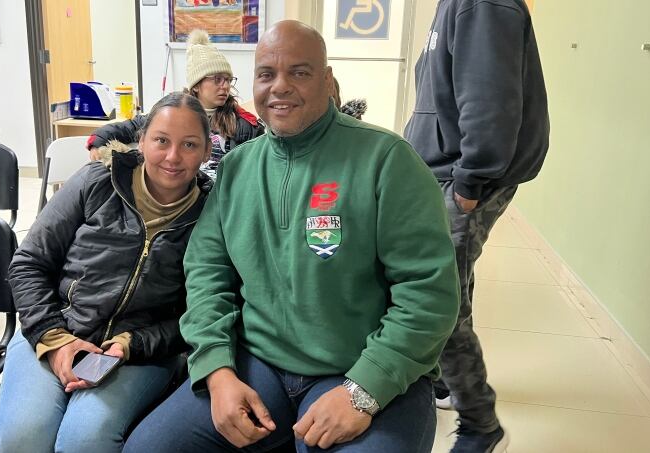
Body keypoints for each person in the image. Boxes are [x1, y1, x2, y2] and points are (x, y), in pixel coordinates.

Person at [124, 20, 460, 452]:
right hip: (260, 364)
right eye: (266, 74)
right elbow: (207, 273)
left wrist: (365, 390)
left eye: (299, 72)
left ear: (327, 79)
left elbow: (429, 293)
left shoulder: (387, 161)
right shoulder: (237, 168)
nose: (280, 86)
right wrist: (217, 371)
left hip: (362, 367)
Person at [0, 92, 214, 453]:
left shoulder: (211, 213)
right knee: (24, 437)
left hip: (138, 353)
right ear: (141, 141)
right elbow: (29, 263)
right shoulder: (96, 181)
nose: (173, 157)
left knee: (85, 439)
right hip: (54, 329)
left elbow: (199, 312)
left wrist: (132, 345)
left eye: (189, 145)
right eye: (161, 140)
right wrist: (54, 338)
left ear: (207, 151)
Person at [403, 0, 549, 451]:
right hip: (444, 170)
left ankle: (481, 423)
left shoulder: (482, 3)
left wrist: (471, 178)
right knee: (452, 284)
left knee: (435, 296)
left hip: (463, 175)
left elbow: (490, 95)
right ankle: (447, 381)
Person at [87, 29, 264, 179]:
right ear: (197, 85)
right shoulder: (172, 111)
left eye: (228, 80)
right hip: (180, 195)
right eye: (217, 79)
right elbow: (132, 126)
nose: (225, 86)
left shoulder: (242, 123)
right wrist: (99, 141)